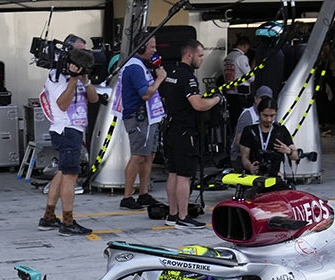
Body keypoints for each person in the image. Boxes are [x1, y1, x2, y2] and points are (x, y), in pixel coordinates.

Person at [159, 39, 221, 229]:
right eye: (200, 56)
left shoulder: (171, 73)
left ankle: (172, 214)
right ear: (189, 55)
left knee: (173, 173)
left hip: (170, 129)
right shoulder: (188, 77)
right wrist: (216, 99)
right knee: (184, 175)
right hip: (185, 132)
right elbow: (198, 104)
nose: (202, 59)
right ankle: (183, 217)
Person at [37, 41, 98, 235]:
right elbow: (62, 104)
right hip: (65, 130)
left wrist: (85, 80)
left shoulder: (79, 76)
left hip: (74, 129)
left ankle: (48, 217)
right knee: (70, 177)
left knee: (63, 173)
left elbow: (94, 99)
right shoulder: (56, 77)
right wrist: (73, 79)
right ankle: (68, 223)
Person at [117, 34, 166, 210]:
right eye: (152, 47)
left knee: (148, 155)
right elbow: (145, 93)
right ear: (141, 47)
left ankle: (143, 193)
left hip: (149, 116)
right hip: (138, 117)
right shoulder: (134, 67)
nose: (154, 50)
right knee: (137, 155)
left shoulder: (141, 65)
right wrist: (160, 78)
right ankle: (127, 196)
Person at [238, 98, 299, 178]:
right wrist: (250, 167)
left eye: (272, 116)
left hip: (275, 177)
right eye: (265, 115)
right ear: (259, 113)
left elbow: (295, 156)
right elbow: (244, 158)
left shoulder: (281, 131)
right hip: (254, 177)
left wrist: (288, 151)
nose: (269, 119)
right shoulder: (249, 131)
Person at [230, 85, 273, 164]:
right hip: (241, 156)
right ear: (256, 99)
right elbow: (239, 141)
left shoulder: (270, 115)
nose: (264, 102)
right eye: (262, 98)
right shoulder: (248, 115)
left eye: (267, 99)